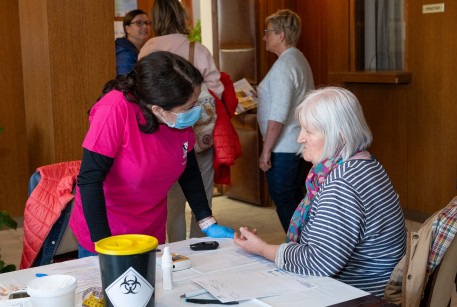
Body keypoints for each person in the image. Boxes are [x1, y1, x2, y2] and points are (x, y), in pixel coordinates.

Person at [234, 87, 406, 298]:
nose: (300, 138)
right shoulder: (365, 163)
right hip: (367, 286)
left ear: (339, 136)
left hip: (356, 295)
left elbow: (319, 261)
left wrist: (263, 249)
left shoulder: (342, 183)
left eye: (309, 131)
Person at [69, 51, 234, 257]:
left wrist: (206, 220)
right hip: (109, 229)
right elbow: (89, 179)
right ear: (158, 110)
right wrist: (103, 243)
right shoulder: (114, 110)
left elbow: (188, 167)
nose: (196, 111)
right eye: (190, 107)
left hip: (150, 230)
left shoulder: (176, 118)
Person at [139, 0, 223, 242]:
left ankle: (175, 248)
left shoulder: (148, 49)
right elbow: (216, 87)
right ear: (181, 16)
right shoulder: (197, 49)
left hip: (162, 133)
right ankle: (201, 242)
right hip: (199, 133)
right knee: (203, 190)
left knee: (171, 197)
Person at [257, 9, 315, 232]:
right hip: (298, 143)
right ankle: (306, 246)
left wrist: (266, 150)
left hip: (284, 147)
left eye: (267, 32)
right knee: (296, 198)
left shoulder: (284, 65)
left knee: (284, 199)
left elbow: (279, 115)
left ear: (280, 35)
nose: (264, 37)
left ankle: (300, 248)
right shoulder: (297, 58)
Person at [115, 9, 151, 75]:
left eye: (147, 23)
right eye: (138, 23)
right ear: (127, 29)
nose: (145, 26)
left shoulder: (143, 49)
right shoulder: (125, 54)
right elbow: (124, 83)